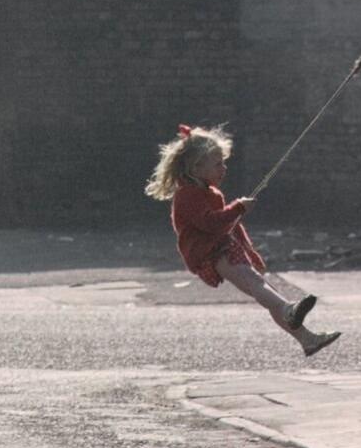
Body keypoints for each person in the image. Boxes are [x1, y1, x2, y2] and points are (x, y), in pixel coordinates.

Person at [145, 123, 340, 358]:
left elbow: (231, 226)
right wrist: (238, 207)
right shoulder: (187, 195)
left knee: (264, 290)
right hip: (211, 254)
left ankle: (306, 339)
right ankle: (290, 310)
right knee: (257, 287)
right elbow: (210, 223)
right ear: (196, 167)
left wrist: (249, 250)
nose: (224, 169)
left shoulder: (210, 193)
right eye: (217, 164)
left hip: (224, 247)